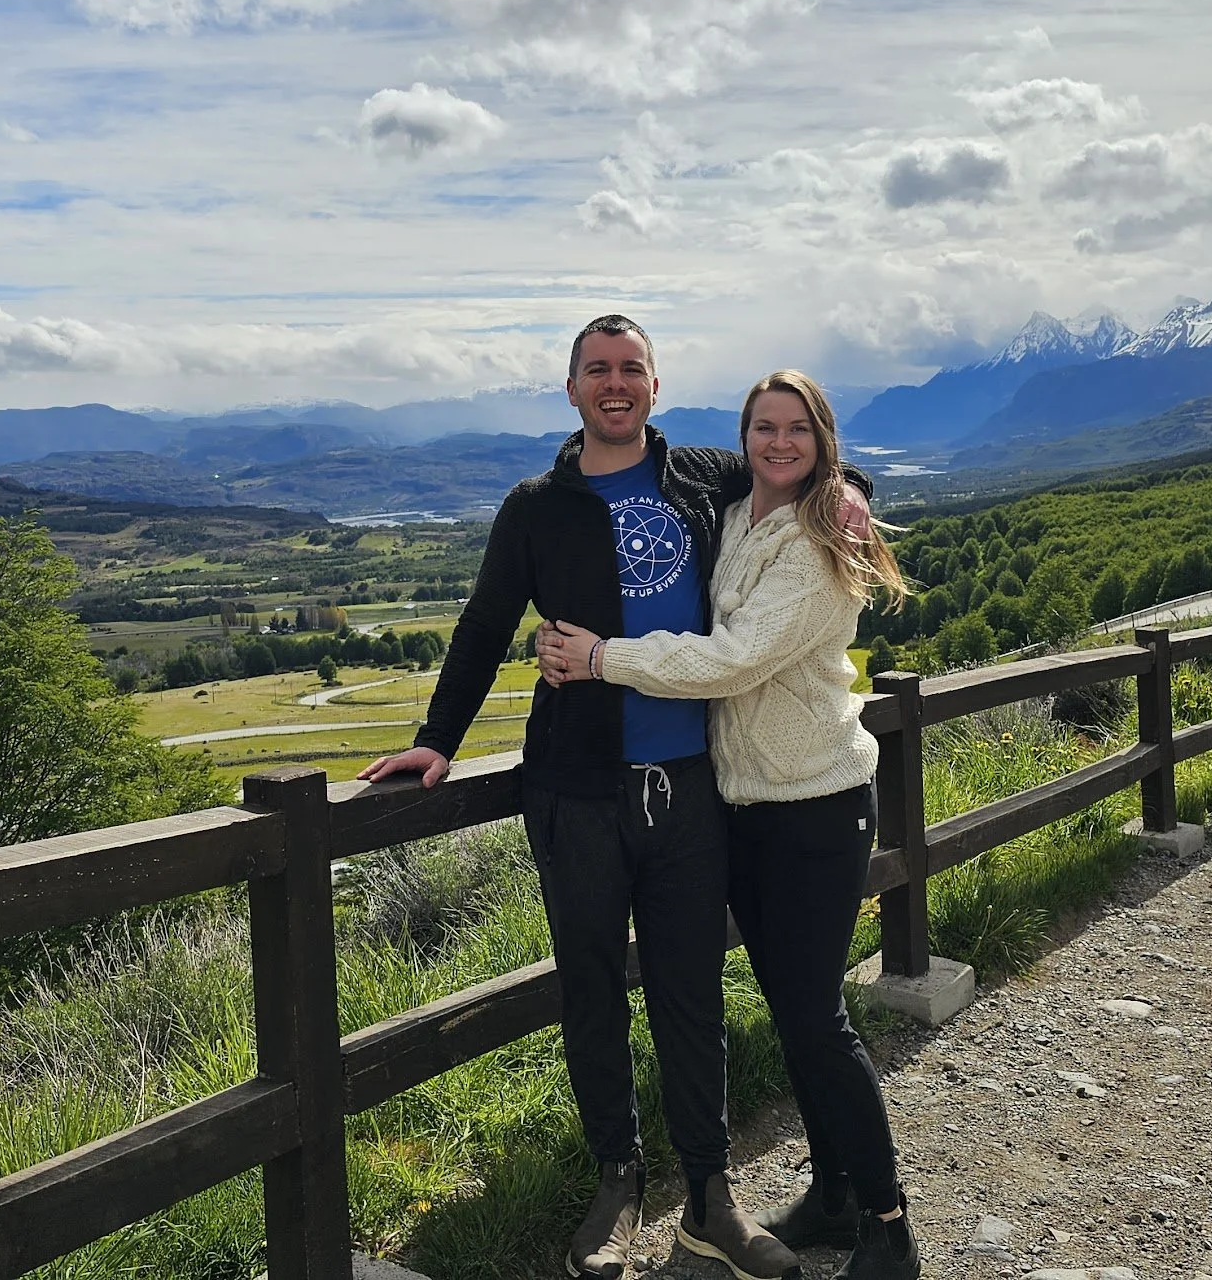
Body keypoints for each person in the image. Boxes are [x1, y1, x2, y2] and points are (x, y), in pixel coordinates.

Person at [361, 317, 868, 1280]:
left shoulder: (701, 476)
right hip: (576, 792)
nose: (616, 383)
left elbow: (800, 464)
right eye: (597, 370)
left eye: (631, 368)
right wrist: (437, 739)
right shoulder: (536, 507)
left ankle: (712, 1199)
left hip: (690, 789)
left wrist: (851, 497)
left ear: (655, 385)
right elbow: (483, 624)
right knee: (591, 989)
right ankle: (618, 1182)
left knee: (691, 995)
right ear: (572, 389)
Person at [536, 369, 921, 1280]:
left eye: (798, 430)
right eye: (764, 428)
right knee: (792, 1014)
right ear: (743, 439)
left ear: (824, 442)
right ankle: (832, 1195)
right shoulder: (736, 506)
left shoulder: (823, 540)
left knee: (816, 1020)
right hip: (745, 805)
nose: (779, 443)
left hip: (816, 805)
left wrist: (603, 658)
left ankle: (889, 1223)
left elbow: (737, 659)